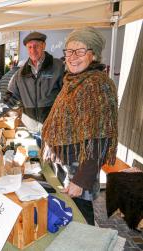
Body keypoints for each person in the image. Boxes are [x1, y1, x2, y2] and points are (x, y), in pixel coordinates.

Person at [41, 27, 118, 225]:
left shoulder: (98, 84)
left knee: (81, 220)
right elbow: (62, 120)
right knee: (67, 216)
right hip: (64, 164)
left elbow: (101, 138)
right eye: (69, 51)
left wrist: (81, 181)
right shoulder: (72, 81)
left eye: (81, 51)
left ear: (94, 55)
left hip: (79, 170)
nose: (73, 57)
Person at [0, 31, 64, 136]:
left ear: (43, 46)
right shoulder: (21, 73)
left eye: (36, 46)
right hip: (31, 129)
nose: (33, 50)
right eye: (29, 47)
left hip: (54, 127)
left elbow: (67, 96)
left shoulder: (58, 67)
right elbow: (10, 99)